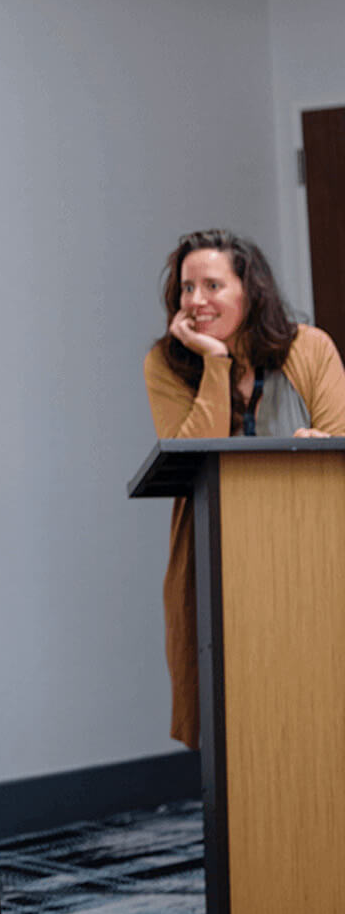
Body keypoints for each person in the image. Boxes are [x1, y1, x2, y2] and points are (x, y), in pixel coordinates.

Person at [143, 229, 345, 748]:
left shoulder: (311, 348)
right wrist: (214, 360)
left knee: (313, 699)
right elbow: (190, 453)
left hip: (309, 553)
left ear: (250, 290)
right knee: (229, 711)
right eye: (187, 289)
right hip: (215, 560)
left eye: (213, 285)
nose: (196, 301)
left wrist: (314, 445)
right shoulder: (167, 363)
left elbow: (338, 439)